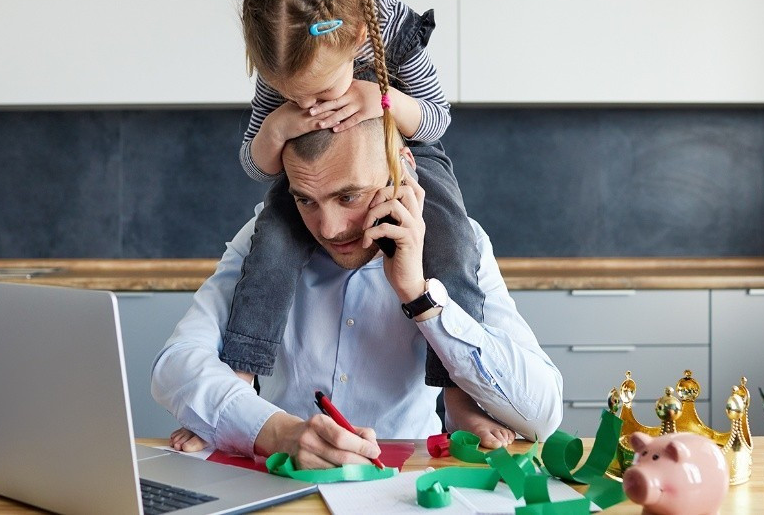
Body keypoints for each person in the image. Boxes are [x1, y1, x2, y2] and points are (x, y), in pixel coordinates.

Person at [152, 119, 563, 468]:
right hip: (283, 484)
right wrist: (275, 433)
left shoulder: (460, 243)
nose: (328, 227)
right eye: (306, 200)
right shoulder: (265, 242)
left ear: (400, 167)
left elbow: (542, 413)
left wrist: (421, 298)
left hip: (410, 485)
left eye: (348, 196)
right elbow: (175, 366)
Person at [221, 0, 483, 392]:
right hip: (315, 171)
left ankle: (459, 392)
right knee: (272, 244)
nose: (307, 106)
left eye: (320, 94)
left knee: (451, 241)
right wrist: (277, 127)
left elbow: (436, 119)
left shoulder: (392, 28)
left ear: (359, 39)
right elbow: (257, 166)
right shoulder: (283, 52)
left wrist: (382, 101)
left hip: (405, 142)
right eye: (293, 97)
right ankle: (239, 374)